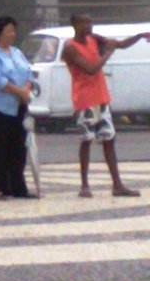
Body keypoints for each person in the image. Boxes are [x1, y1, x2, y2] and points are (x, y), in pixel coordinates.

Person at [61, 13, 147, 198]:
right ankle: (84, 185)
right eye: (85, 22)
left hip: (101, 98)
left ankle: (117, 184)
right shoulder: (70, 48)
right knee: (86, 140)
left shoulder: (94, 39)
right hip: (84, 100)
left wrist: (139, 36)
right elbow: (90, 69)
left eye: (91, 21)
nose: (89, 25)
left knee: (109, 140)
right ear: (74, 25)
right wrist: (108, 53)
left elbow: (120, 44)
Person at [0, 16, 34, 200]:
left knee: (18, 148)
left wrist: (26, 89)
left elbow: (28, 72)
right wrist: (17, 91)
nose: (13, 34)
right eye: (9, 31)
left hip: (18, 107)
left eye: (13, 30)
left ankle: (19, 187)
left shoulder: (17, 52)